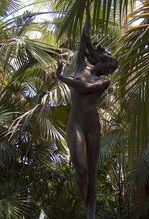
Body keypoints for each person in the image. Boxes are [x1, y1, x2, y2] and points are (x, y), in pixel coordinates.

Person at [56, 11, 118, 219]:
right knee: (81, 168)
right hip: (76, 124)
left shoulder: (104, 81)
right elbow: (84, 38)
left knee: (92, 172)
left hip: (92, 126)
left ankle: (90, 212)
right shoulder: (81, 66)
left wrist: (62, 78)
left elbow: (82, 88)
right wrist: (88, 11)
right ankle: (86, 206)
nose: (109, 67)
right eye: (110, 63)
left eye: (111, 67)